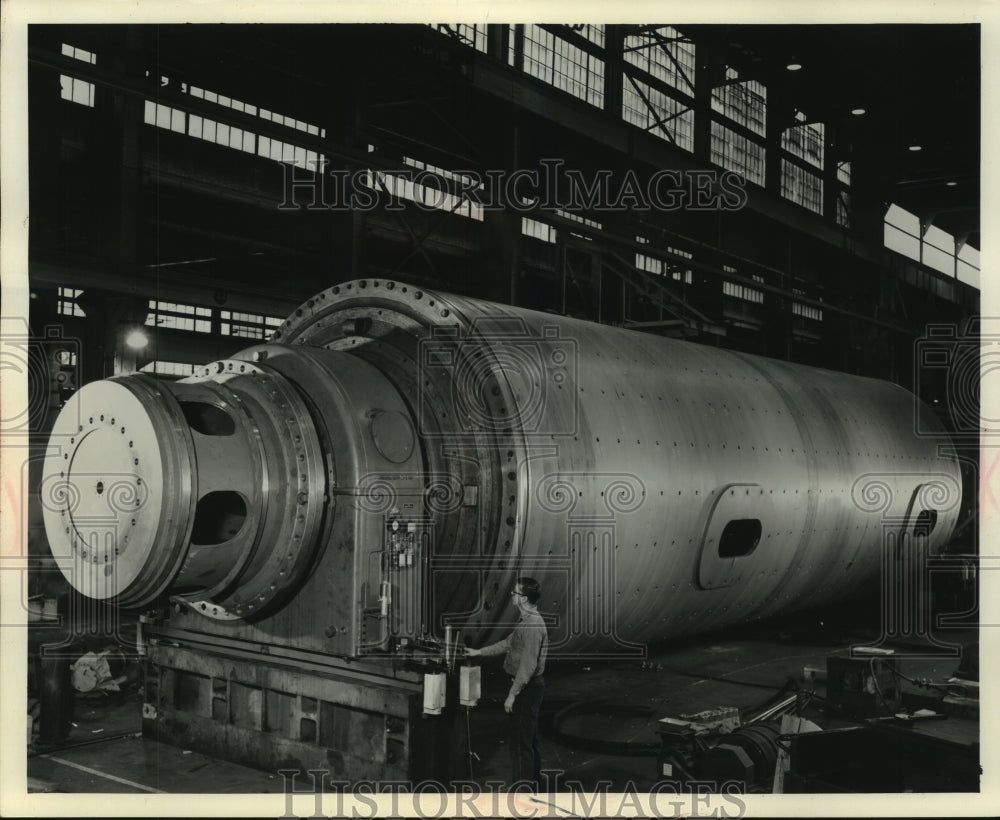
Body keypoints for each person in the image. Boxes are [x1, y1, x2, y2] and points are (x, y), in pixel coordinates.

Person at [466, 577, 548, 790]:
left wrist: (512, 694)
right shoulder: (526, 620)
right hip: (527, 687)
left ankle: (522, 794)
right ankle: (534, 787)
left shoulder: (532, 625)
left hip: (526, 689)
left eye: (515, 593)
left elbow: (527, 666)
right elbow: (507, 643)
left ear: (524, 598)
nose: (512, 595)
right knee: (527, 741)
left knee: (520, 745)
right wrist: (478, 652)